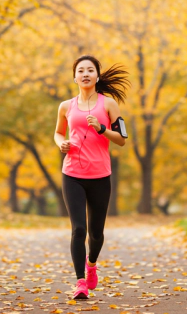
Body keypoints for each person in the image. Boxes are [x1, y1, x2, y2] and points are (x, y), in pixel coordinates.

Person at [54, 55, 130, 300]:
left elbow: (121, 140)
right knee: (78, 229)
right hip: (72, 174)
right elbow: (57, 133)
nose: (85, 74)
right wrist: (61, 144)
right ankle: (80, 283)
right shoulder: (66, 106)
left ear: (97, 76)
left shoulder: (108, 104)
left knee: (96, 233)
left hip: (100, 175)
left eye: (90, 70)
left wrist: (101, 128)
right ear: (74, 76)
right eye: (80, 70)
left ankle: (92, 264)